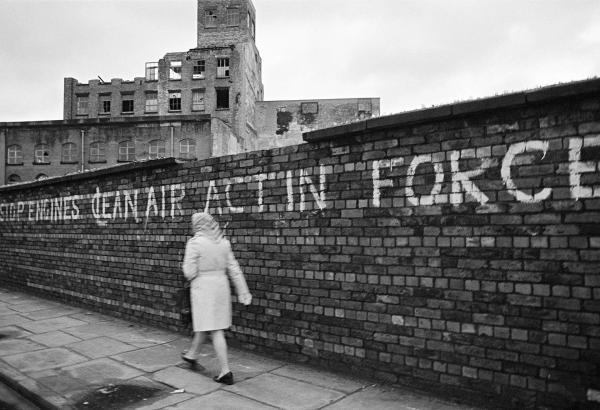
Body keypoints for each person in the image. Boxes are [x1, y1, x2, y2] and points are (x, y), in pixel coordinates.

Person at [181, 212, 252, 385]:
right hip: (221, 287)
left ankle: (225, 371)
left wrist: (193, 275)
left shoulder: (195, 243)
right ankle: (192, 355)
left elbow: (189, 272)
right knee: (206, 324)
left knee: (215, 329)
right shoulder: (223, 243)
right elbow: (234, 268)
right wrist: (243, 291)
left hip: (203, 288)